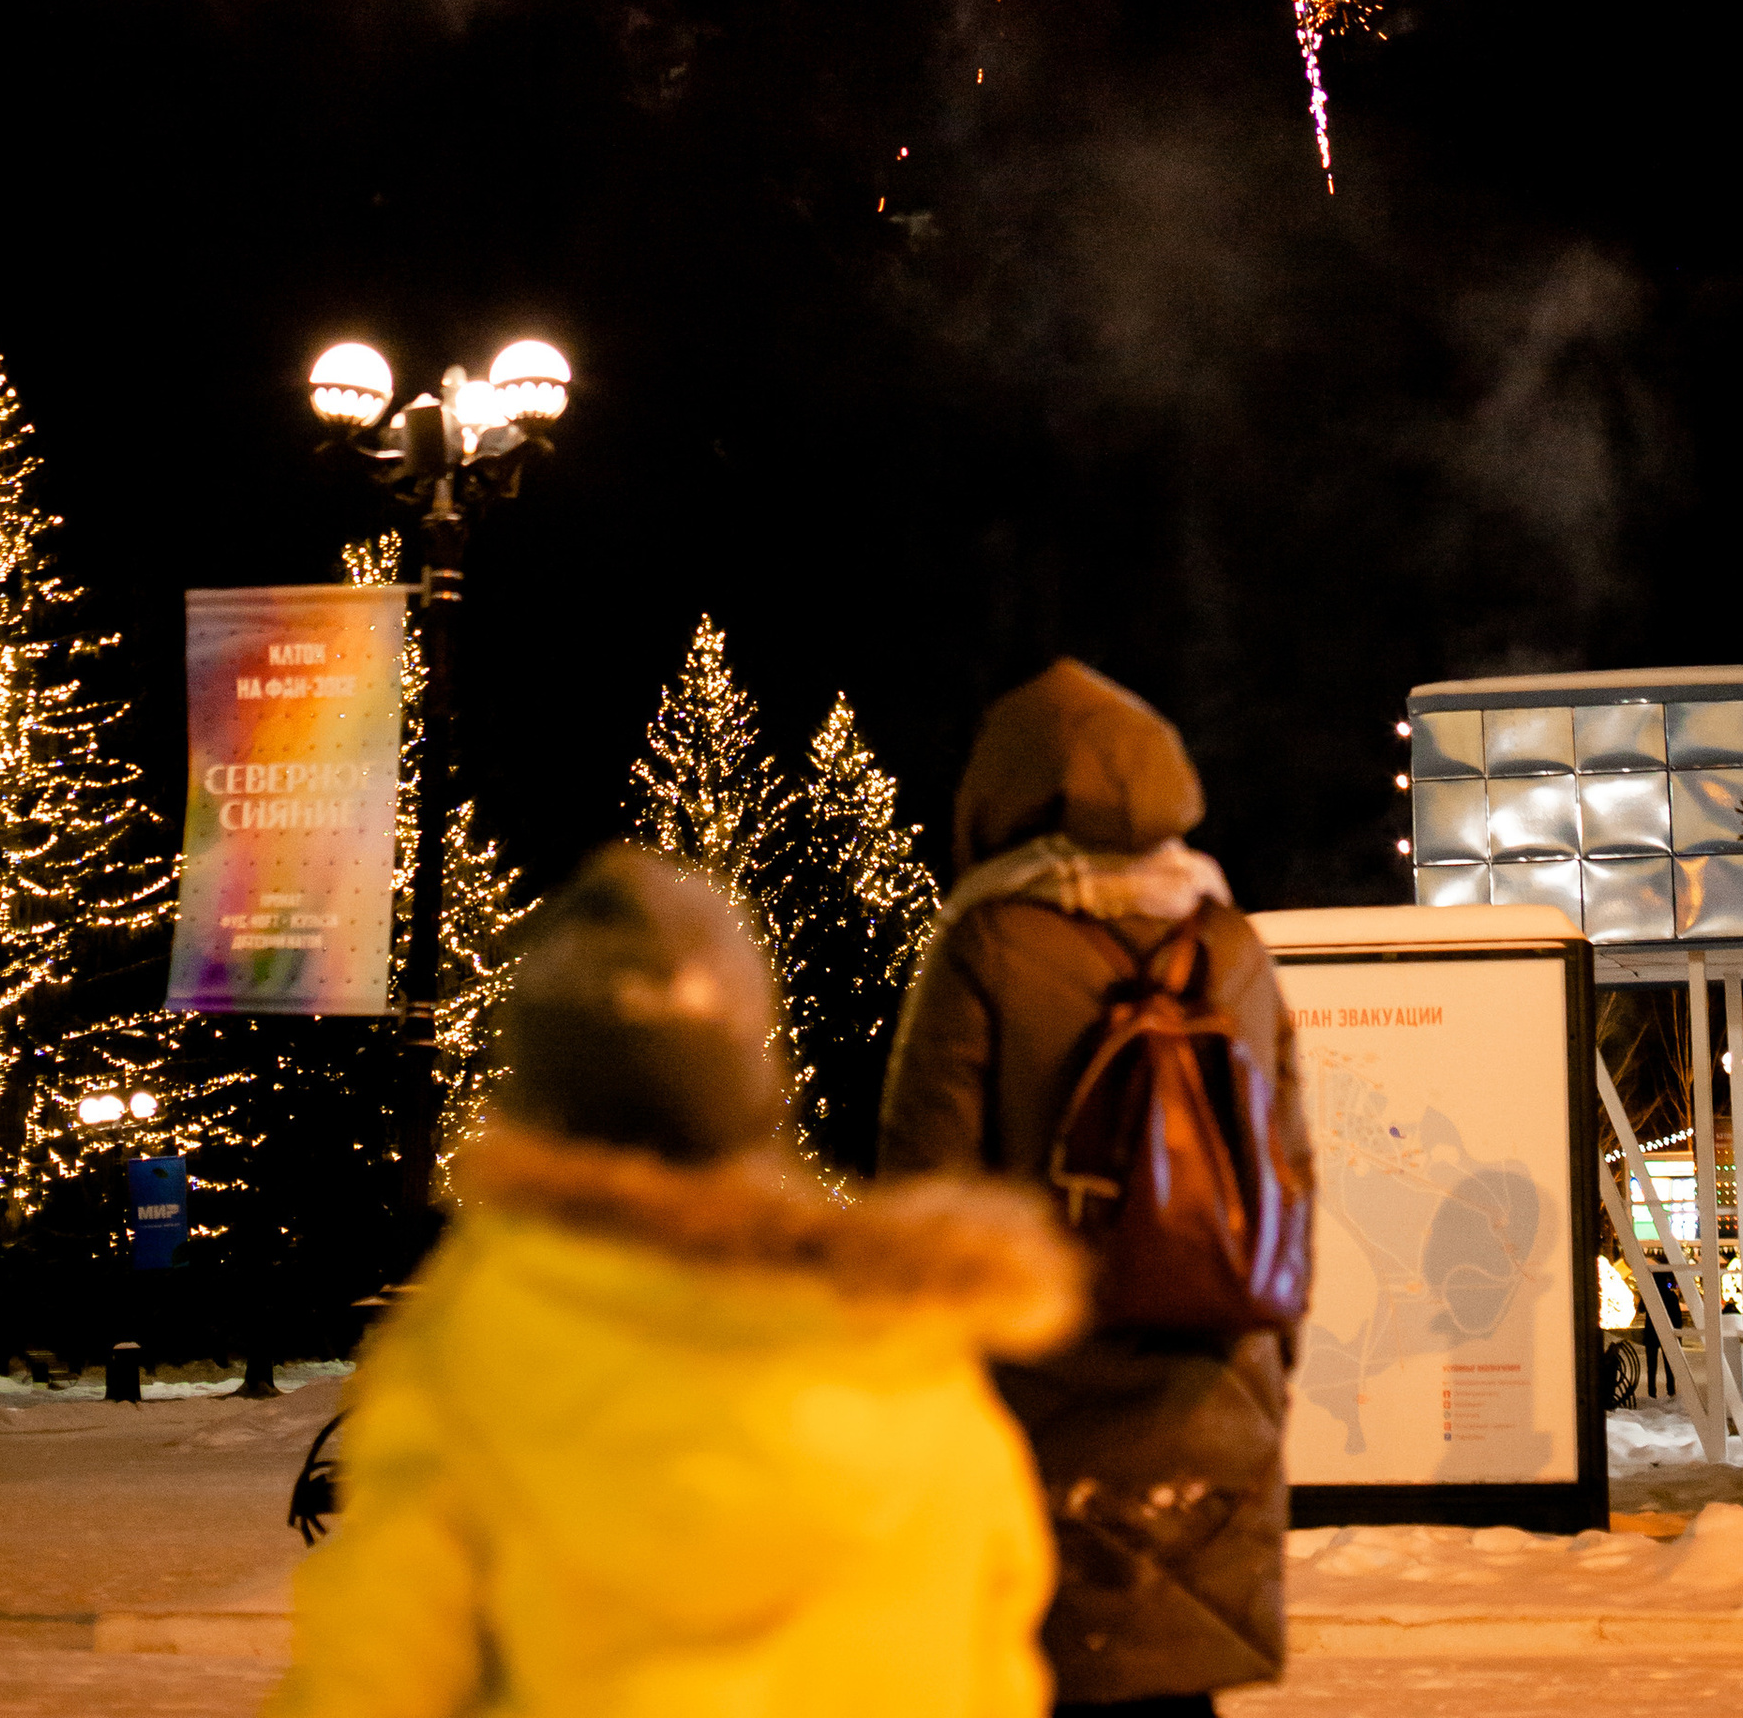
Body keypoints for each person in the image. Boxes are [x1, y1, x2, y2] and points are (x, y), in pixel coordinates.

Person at [271, 845, 1082, 1718]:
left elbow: (374, 1678)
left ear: (540, 1091)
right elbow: (995, 1657)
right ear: (749, 1076)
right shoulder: (910, 1348)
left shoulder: (469, 1347)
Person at [880, 656, 1312, 1717]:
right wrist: (1264, 1368)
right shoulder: (1231, 950)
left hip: (1037, 1402)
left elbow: (926, 1193)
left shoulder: (986, 944)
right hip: (1211, 1392)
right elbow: (1288, 1186)